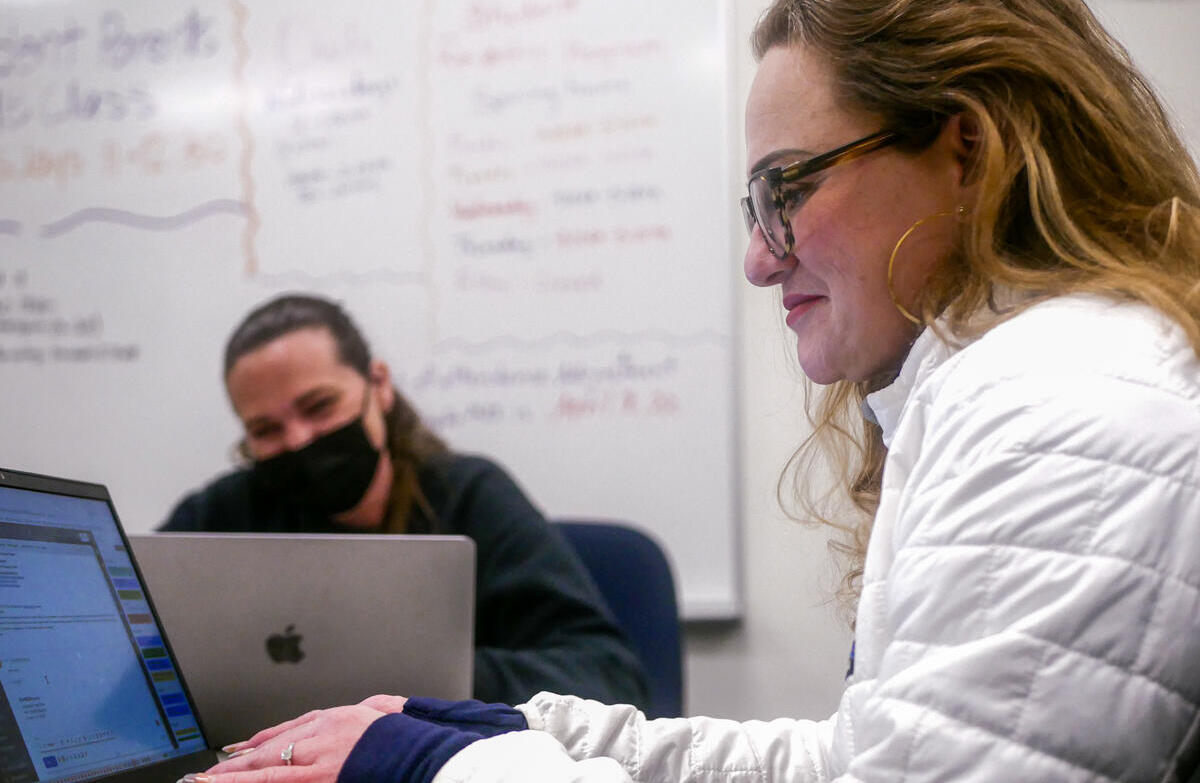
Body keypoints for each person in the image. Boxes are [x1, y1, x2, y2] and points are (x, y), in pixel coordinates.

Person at [185, 0, 1200, 780]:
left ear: (967, 147)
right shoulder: (1019, 391)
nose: (760, 262)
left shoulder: (1060, 415)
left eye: (789, 190)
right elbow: (846, 761)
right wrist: (520, 726)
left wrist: (432, 763)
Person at [160, 293, 649, 710]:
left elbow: (608, 677)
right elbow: (128, 664)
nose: (299, 440)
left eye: (319, 406)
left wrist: (431, 684)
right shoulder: (217, 518)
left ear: (379, 385)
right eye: (265, 430)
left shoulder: (470, 497)